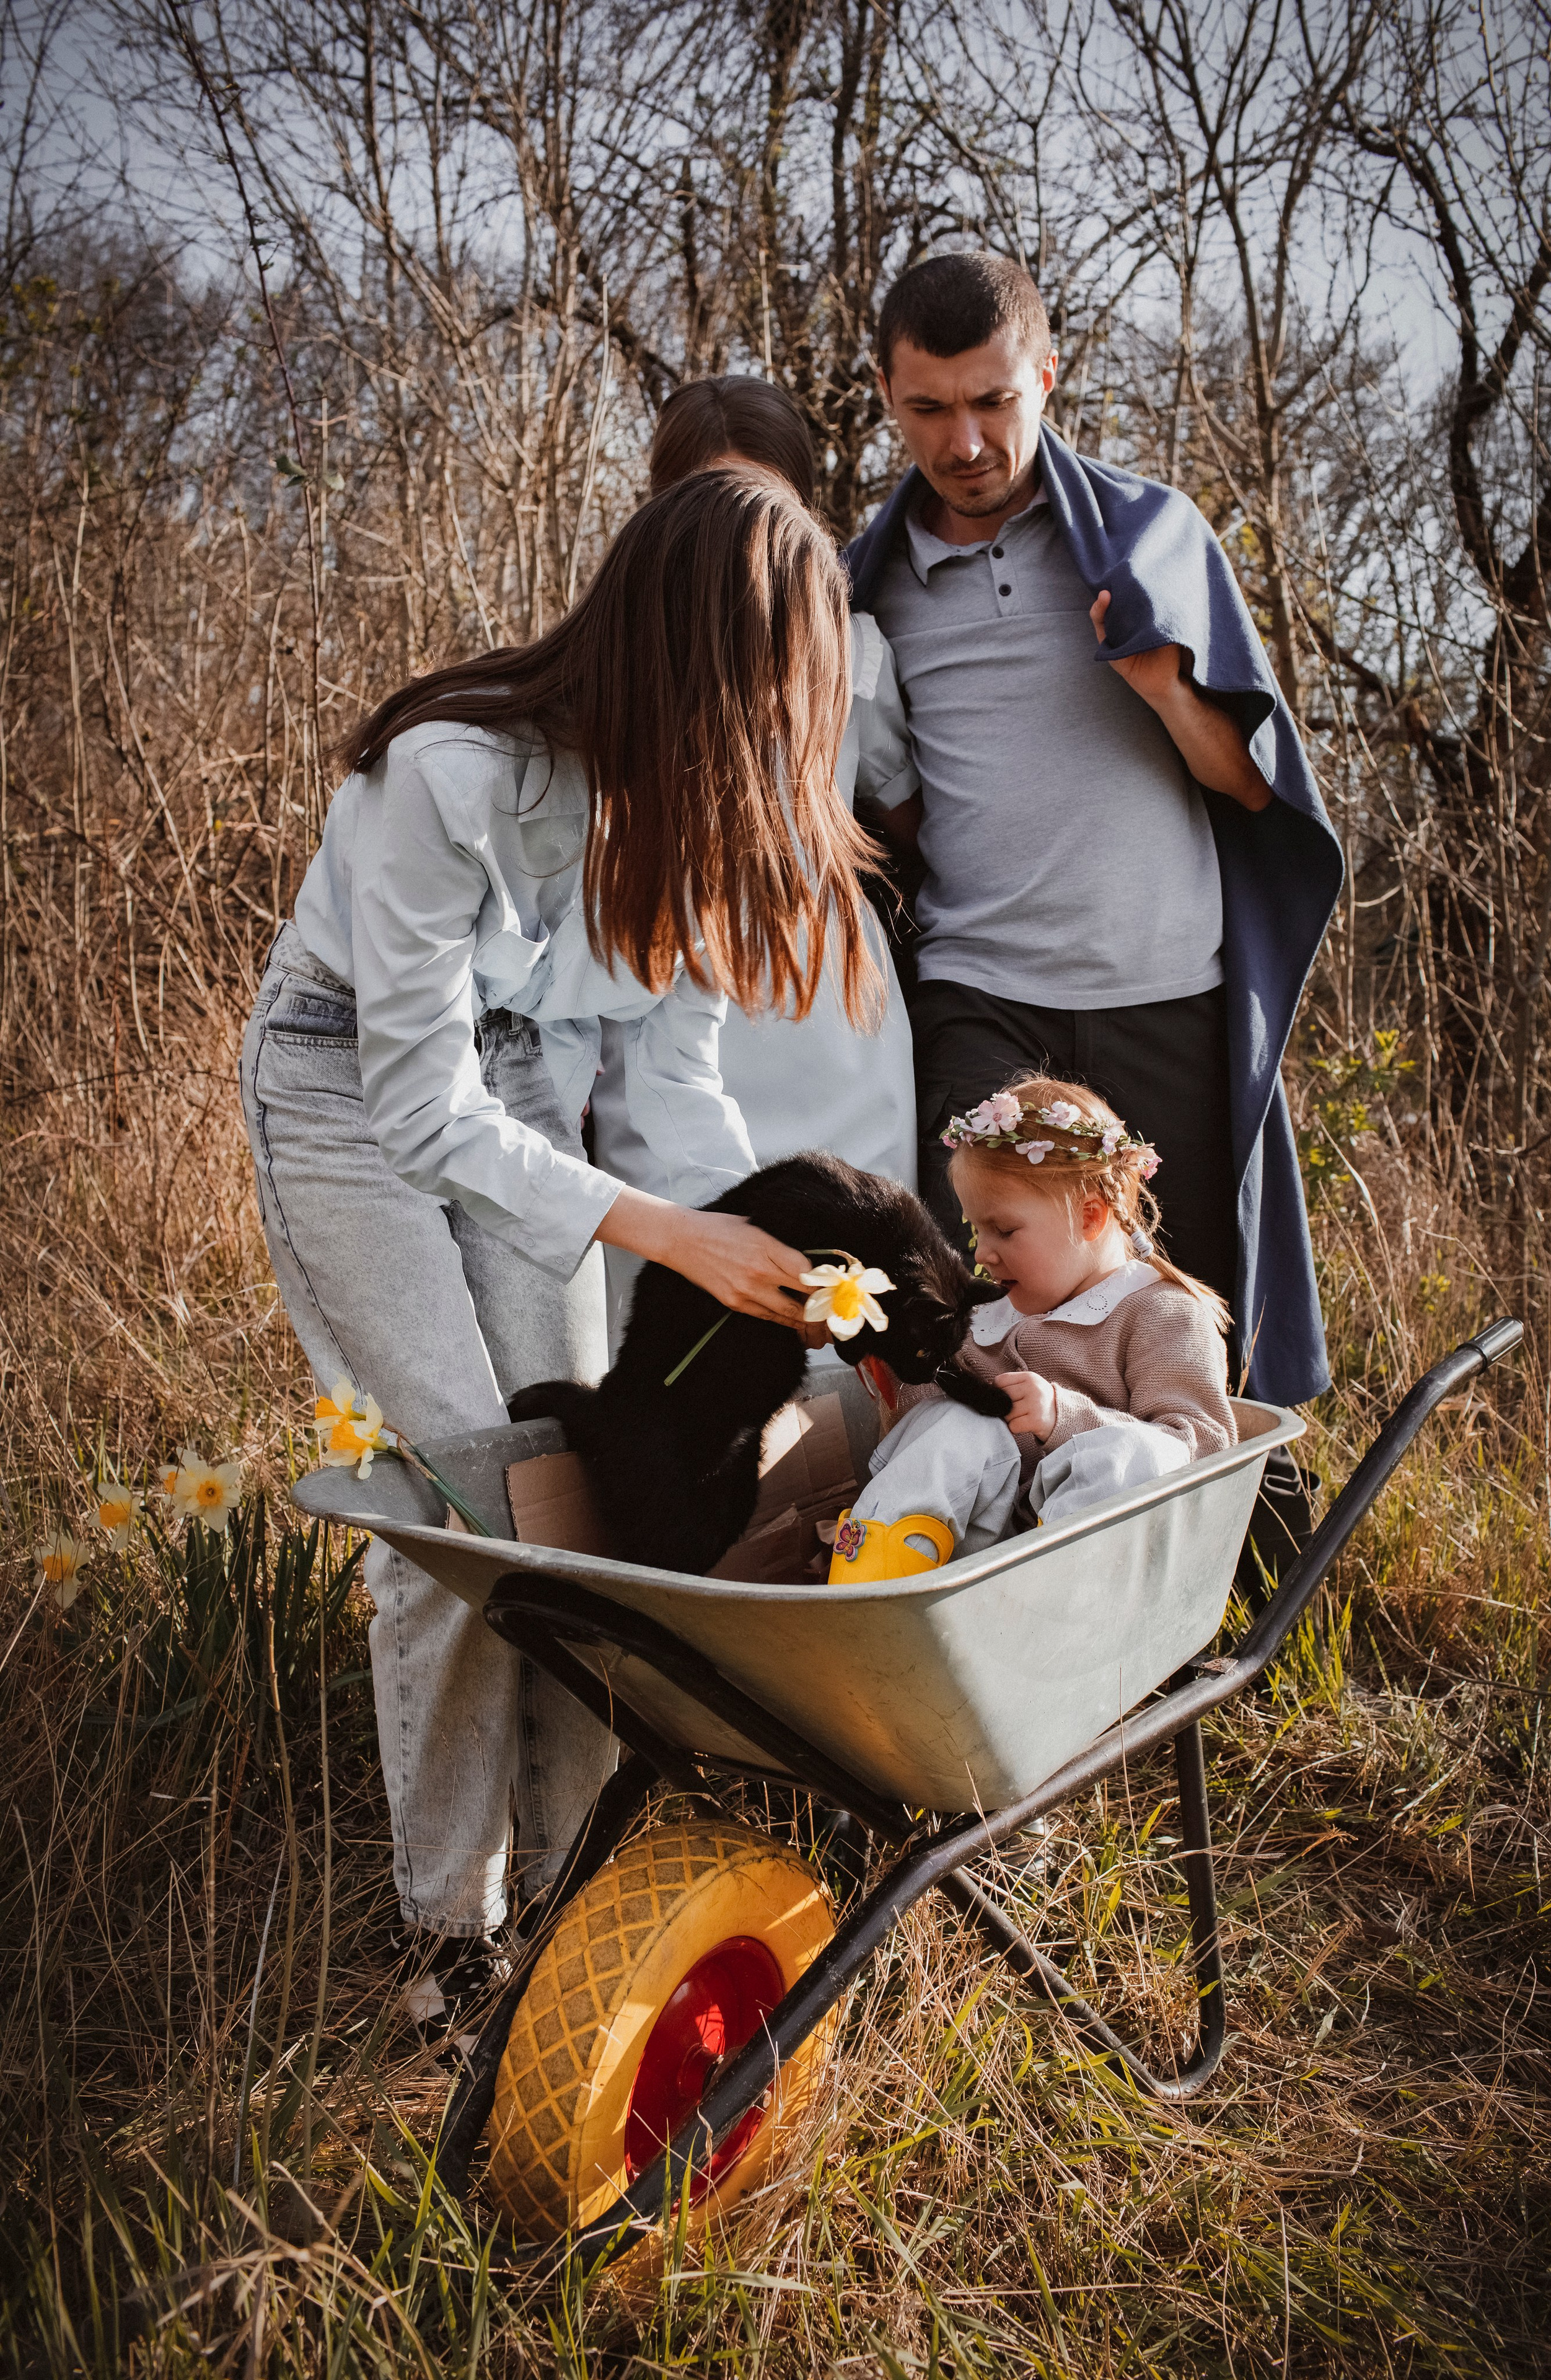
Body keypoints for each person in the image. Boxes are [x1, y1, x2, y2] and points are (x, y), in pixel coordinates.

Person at [239, 467, 872, 2030]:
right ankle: (447, 1929)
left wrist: (776, 1256)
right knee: (475, 1496)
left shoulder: (712, 822)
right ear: (687, 663)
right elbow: (417, 1099)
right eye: (771, 695)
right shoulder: (449, 772)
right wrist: (663, 1233)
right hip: (348, 1087)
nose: (789, 738)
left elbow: (668, 1093)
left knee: (575, 1499)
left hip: (520, 1085)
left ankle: (572, 1887)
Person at [843, 250, 1342, 1585]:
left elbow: (1251, 781)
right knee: (976, 1300)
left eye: (993, 402)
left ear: (1045, 377)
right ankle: (977, 1600)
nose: (964, 441)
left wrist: (1163, 688)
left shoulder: (1147, 536)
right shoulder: (861, 590)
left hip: (1154, 988)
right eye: (928, 409)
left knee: (1177, 1304)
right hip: (979, 991)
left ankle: (1223, 1596)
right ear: (886, 398)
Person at [588, 376, 920, 1351]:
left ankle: (863, 1495)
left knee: (854, 1276)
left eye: (762, 502)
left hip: (828, 1001)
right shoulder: (624, 658)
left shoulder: (856, 652)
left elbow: (905, 815)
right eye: (701, 497)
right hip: (664, 974)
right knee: (678, 1280)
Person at [828, 1078, 1236, 1580]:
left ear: (1089, 1217)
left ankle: (1044, 1584)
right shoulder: (991, 1312)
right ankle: (871, 1580)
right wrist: (898, 1362)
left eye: (1004, 1230)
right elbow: (928, 1436)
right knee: (958, 1426)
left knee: (1136, 1452)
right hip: (971, 1555)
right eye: (976, 1230)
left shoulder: (1162, 1313)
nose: (980, 1252)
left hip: (1092, 1561)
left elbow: (1204, 1447)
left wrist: (1066, 1417)